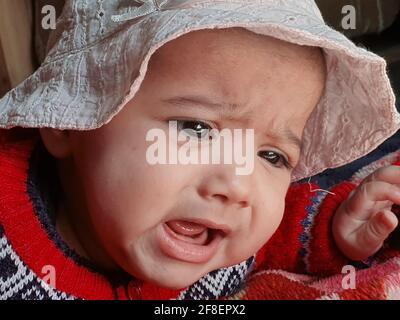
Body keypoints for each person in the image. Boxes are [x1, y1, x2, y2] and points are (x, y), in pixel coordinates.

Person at [0, 0, 399, 300]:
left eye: (271, 156)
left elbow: (280, 235)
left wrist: (335, 232)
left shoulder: (223, 232)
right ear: (68, 121)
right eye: (197, 128)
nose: (239, 185)